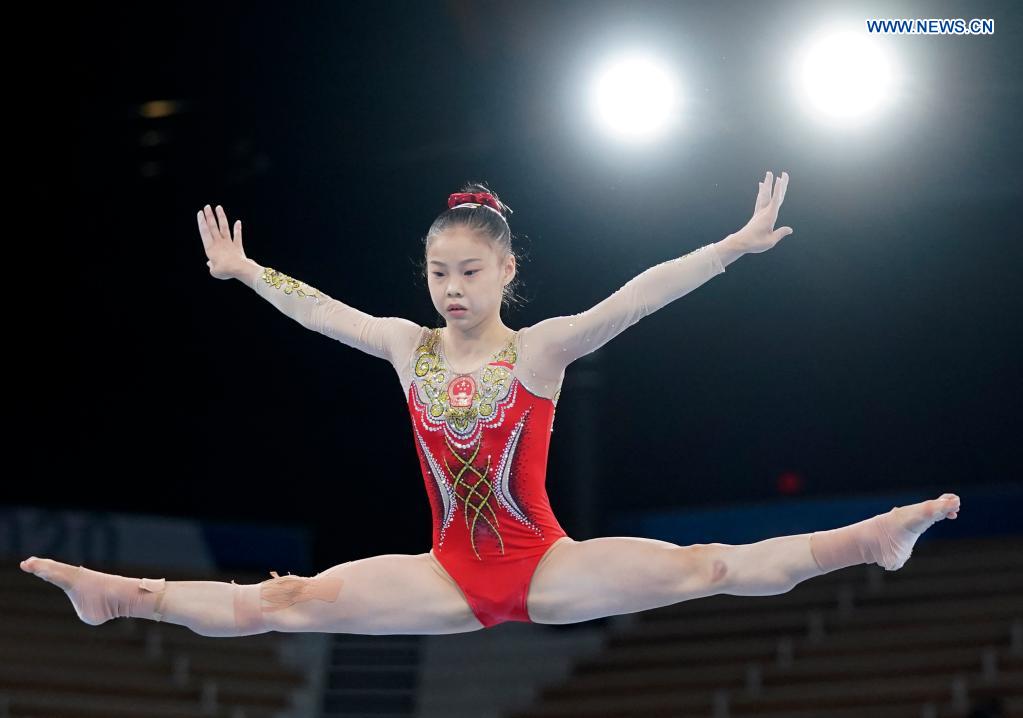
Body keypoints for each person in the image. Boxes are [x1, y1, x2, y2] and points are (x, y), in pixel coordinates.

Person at [21, 172, 960, 636]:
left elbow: (634, 298)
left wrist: (730, 247)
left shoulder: (539, 349)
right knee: (287, 600)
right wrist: (246, 271)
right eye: (438, 272)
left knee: (703, 567)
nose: (452, 288)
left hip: (543, 563)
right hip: (444, 572)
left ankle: (866, 540)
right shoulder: (408, 346)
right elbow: (323, 312)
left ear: (507, 270)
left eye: (470, 271)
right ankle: (124, 598)